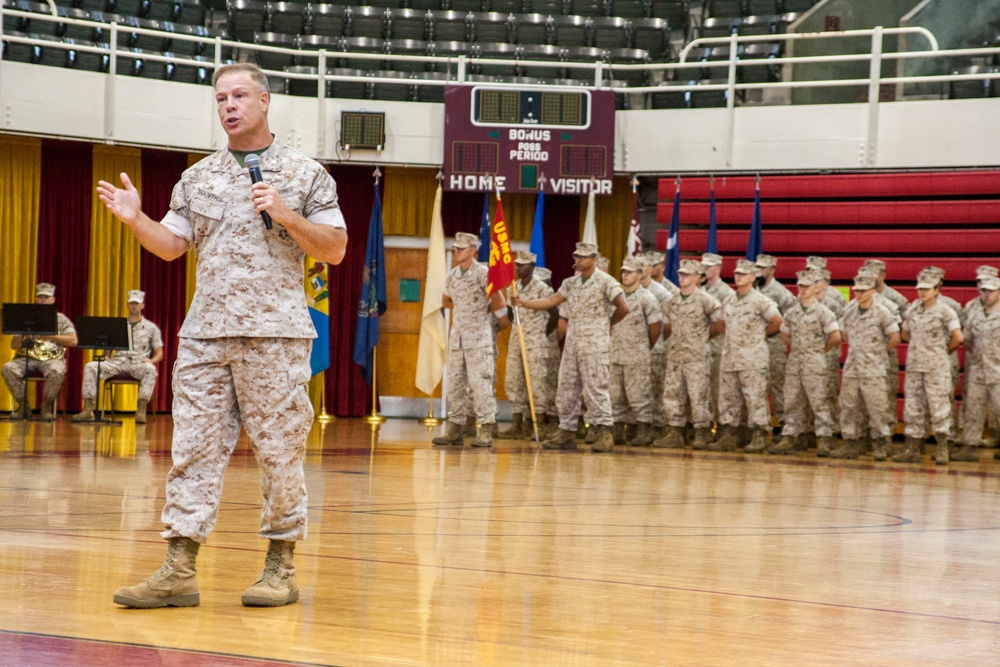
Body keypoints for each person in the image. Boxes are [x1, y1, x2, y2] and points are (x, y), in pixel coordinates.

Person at [97, 62, 348, 609]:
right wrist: (137, 219)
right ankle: (178, 567)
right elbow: (170, 246)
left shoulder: (306, 174)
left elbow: (334, 248)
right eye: (220, 99)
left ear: (263, 100)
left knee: (280, 453)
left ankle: (281, 566)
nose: (228, 106)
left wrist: (284, 214)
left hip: (275, 336)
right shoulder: (197, 177)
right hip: (206, 335)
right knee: (192, 451)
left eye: (238, 95)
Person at [515, 242, 628, 453]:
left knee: (596, 389)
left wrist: (606, 324)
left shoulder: (605, 282)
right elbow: (551, 300)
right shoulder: (570, 283)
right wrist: (523, 303)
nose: (577, 260)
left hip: (594, 346)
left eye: (582, 257)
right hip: (573, 345)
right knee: (567, 389)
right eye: (576, 256)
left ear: (593, 259)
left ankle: (604, 432)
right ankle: (566, 432)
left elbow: (623, 308)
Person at [432, 232, 509, 448]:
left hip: (479, 338)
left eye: (461, 248)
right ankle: (455, 428)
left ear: (473, 250)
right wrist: (464, 306)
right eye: (456, 247)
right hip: (458, 338)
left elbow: (500, 302)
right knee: (455, 383)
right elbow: (446, 300)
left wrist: (478, 313)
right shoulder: (453, 275)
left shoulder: (483, 273)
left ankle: (485, 427)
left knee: (480, 384)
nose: (457, 251)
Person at [710, 259, 782, 452]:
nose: (738, 276)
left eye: (743, 274)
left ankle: (760, 435)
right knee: (728, 398)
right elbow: (720, 323)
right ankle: (730, 435)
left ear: (752, 277)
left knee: (754, 397)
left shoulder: (760, 300)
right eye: (737, 273)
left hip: (752, 358)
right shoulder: (729, 300)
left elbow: (777, 321)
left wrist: (758, 336)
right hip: (731, 357)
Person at [767, 270, 841, 456]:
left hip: (815, 364)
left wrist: (818, 351)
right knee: (791, 400)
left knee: (819, 402)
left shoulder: (824, 312)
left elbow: (835, 337)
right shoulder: (792, 312)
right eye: (800, 286)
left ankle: (825, 438)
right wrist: (798, 349)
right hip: (795, 364)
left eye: (807, 286)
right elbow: (785, 334)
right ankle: (791, 437)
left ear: (815, 288)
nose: (803, 290)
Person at [830, 270, 900, 460]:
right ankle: (851, 442)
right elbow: (844, 334)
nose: (858, 294)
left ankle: (882, 443)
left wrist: (878, 352)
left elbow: (895, 337)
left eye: (863, 291)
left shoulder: (882, 312)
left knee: (877, 407)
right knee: (849, 405)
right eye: (856, 291)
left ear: (872, 291)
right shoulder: (850, 311)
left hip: (874, 368)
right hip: (852, 367)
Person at [896, 268, 963, 464]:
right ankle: (913, 449)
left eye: (927, 289)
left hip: (936, 367)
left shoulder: (945, 311)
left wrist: (941, 352)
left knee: (939, 407)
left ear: (936, 290)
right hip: (916, 366)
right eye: (920, 289)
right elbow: (905, 333)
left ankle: (943, 448)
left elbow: (958, 337)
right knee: (914, 407)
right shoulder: (914, 308)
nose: (922, 292)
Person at [655, 259, 721, 450]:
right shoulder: (672, 301)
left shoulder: (706, 300)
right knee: (672, 395)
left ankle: (702, 432)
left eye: (687, 275)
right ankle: (675, 432)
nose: (682, 278)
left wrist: (702, 339)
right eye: (680, 274)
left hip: (696, 356)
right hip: (676, 355)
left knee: (699, 395)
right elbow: (667, 327)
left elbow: (719, 324)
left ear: (697, 278)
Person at [71, 290, 163, 423]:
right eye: (131, 303)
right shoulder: (118, 325)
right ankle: (88, 408)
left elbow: (159, 353)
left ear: (142, 306)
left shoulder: (151, 328)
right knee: (91, 366)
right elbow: (109, 345)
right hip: (117, 362)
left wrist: (151, 360)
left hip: (138, 362)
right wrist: (106, 356)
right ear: (127, 305)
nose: (134, 306)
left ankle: (141, 409)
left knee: (150, 369)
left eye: (136, 304)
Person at [2, 282, 78, 419]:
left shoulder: (60, 319)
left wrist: (49, 336)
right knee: (8, 368)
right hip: (26, 358)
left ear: (52, 300)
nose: (43, 300)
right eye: (40, 297)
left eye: (46, 297)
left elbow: (73, 341)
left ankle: (46, 406)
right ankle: (23, 405)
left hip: (51, 358)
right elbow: (14, 345)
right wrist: (23, 335)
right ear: (36, 299)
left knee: (56, 370)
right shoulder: (26, 318)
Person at [497, 251, 552, 440]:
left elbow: (554, 314)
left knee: (536, 383)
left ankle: (535, 424)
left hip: (535, 342)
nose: (518, 268)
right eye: (517, 265)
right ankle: (517, 423)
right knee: (514, 381)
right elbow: (511, 315)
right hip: (516, 341)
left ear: (532, 267)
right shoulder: (512, 288)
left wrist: (539, 334)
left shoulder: (543, 289)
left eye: (523, 265)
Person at [609, 258, 661, 446]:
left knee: (639, 396)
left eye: (629, 272)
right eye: (623, 271)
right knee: (615, 396)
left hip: (637, 355)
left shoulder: (647, 298)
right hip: (616, 354)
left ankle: (644, 431)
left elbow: (655, 327)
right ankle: (617, 431)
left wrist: (645, 347)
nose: (624, 275)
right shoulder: (617, 297)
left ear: (639, 275)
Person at [959, 275, 1000, 462]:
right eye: (984, 291)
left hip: (998, 371)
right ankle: (970, 447)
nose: (987, 294)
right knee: (973, 409)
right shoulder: (975, 315)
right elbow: (967, 340)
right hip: (979, 370)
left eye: (991, 291)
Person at [754, 254, 794, 427]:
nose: (758, 271)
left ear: (771, 270)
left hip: (774, 345)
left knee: (777, 386)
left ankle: (784, 423)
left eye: (762, 268)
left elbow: (791, 318)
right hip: (755, 346)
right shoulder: (754, 289)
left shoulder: (781, 292)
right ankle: (761, 424)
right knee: (757, 385)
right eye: (757, 267)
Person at [636, 252, 673, 436]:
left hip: (655, 349)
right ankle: (639, 427)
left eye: (642, 267)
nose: (639, 271)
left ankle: (657, 428)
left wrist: (655, 342)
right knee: (638, 389)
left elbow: (668, 325)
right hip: (634, 350)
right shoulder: (632, 289)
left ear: (650, 269)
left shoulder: (661, 293)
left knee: (655, 391)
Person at [701, 252, 735, 425]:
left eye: (708, 266)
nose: (704, 269)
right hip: (698, 350)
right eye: (703, 265)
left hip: (716, 348)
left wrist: (704, 336)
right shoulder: (699, 289)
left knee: (717, 390)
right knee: (700, 391)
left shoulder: (726, 293)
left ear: (718, 268)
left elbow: (724, 324)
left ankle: (721, 426)